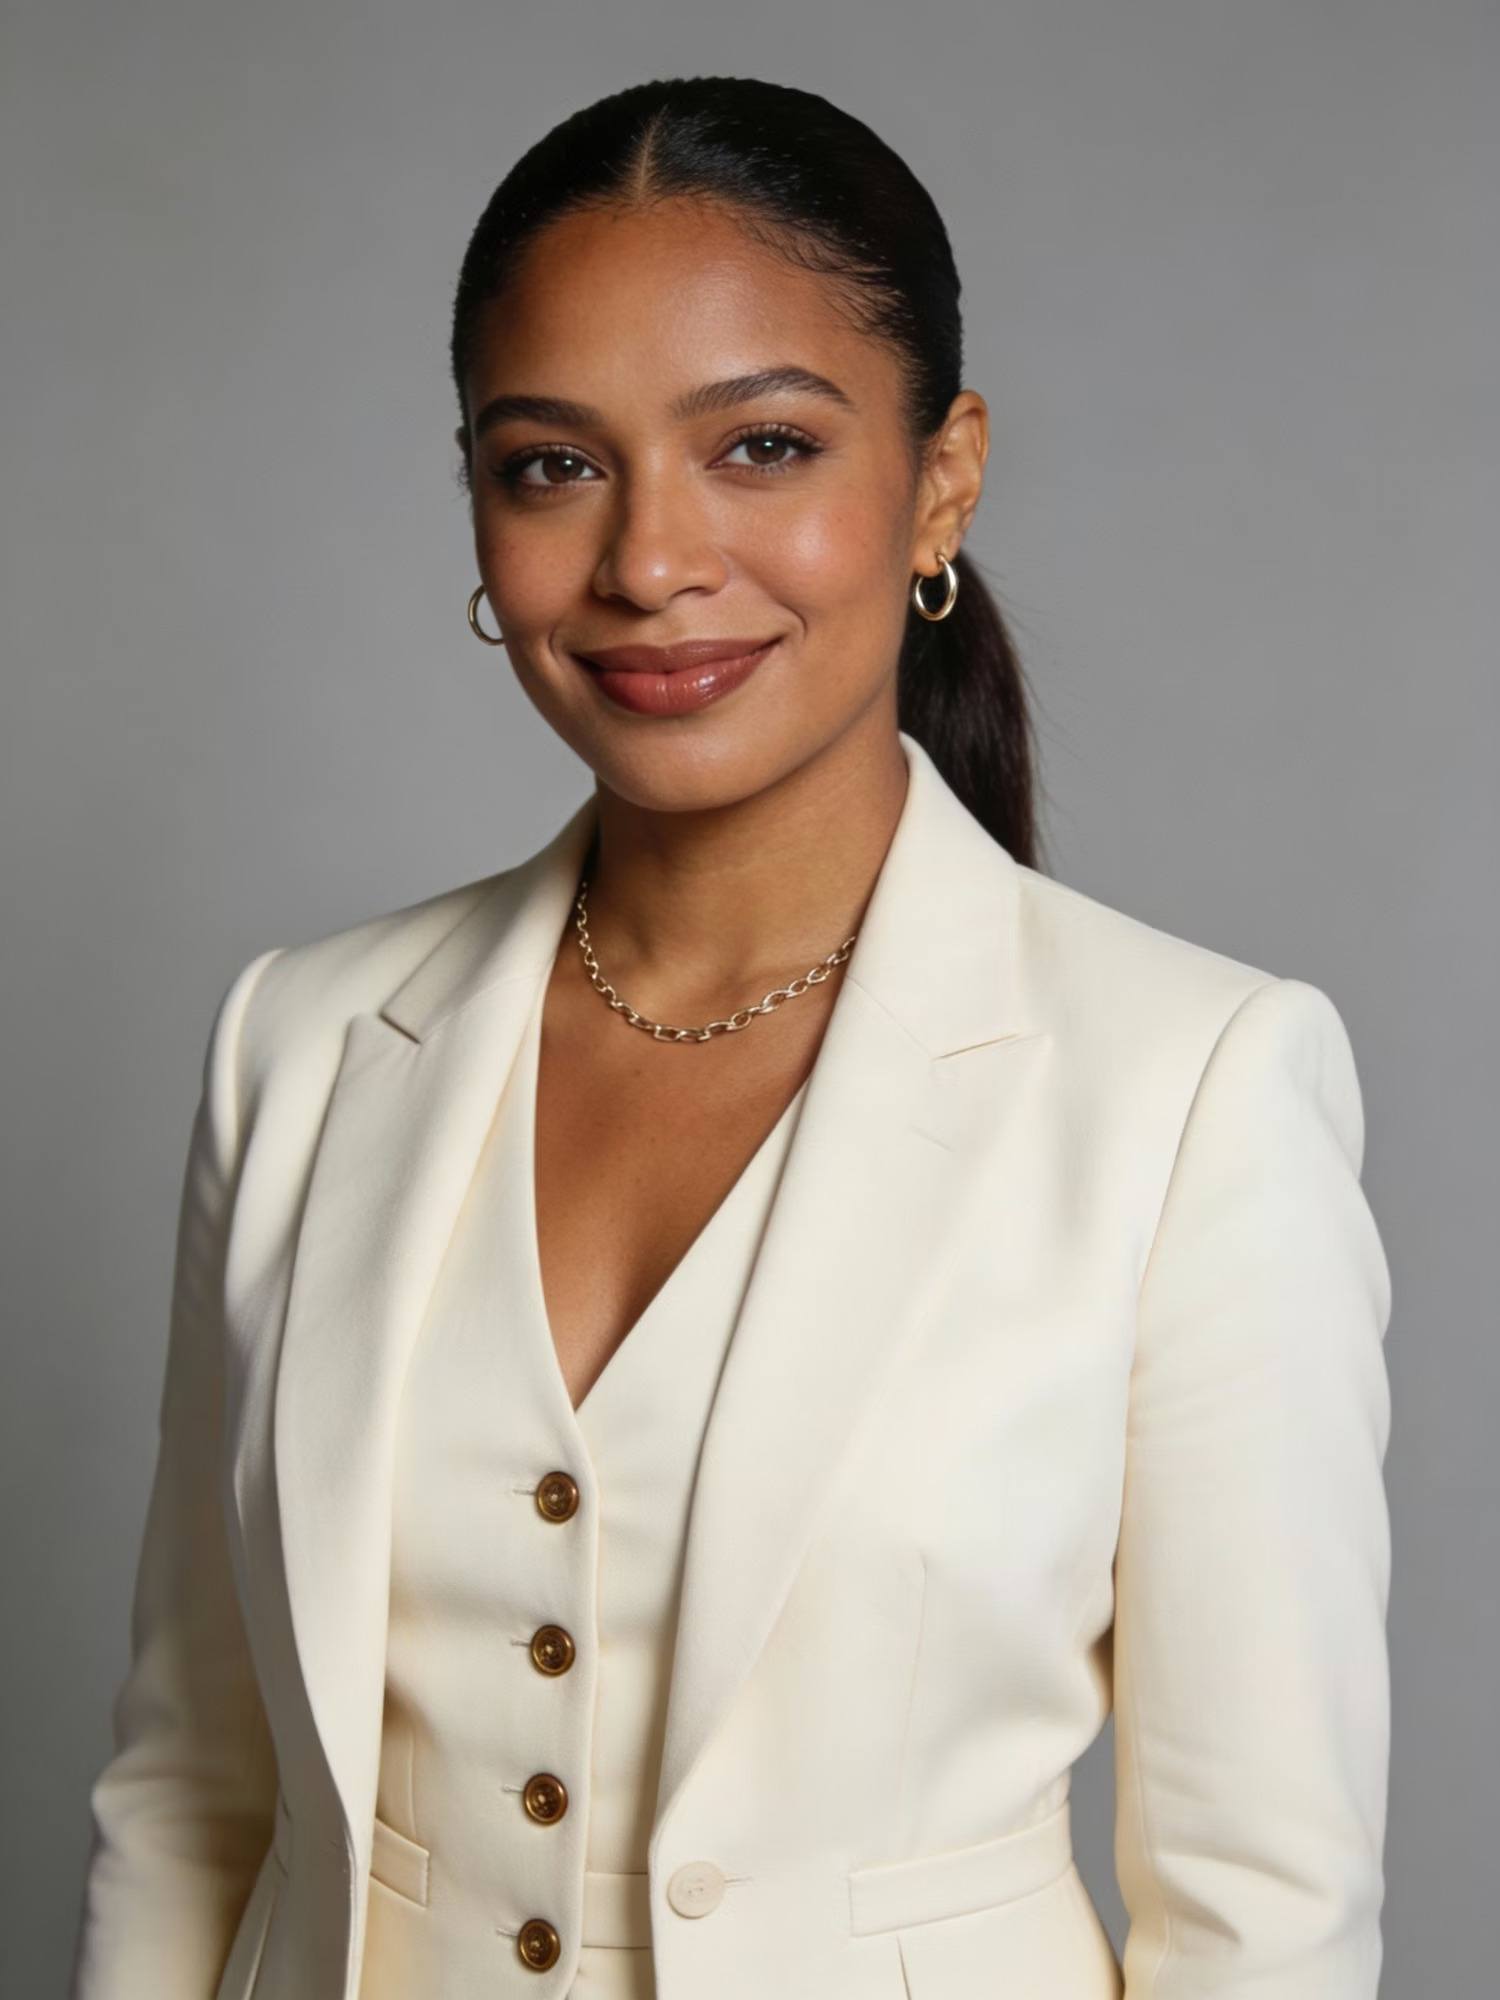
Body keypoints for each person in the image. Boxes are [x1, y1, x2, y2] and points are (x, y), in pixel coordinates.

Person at [68, 74, 1393, 2000]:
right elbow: (193, 1797)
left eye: (759, 446)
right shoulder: (303, 1044)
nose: (650, 563)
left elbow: (1263, 1918)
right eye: (550, 465)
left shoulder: (1195, 1089)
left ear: (943, 477)